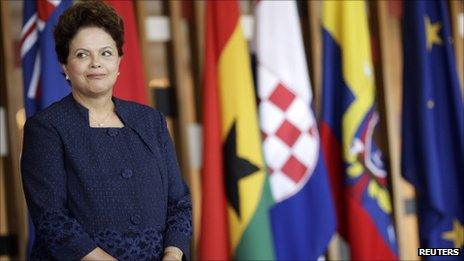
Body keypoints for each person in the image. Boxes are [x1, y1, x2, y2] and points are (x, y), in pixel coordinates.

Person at [20, 1, 191, 260]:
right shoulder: (46, 128)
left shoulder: (150, 121)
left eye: (106, 53)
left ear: (119, 61)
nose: (96, 63)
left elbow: (179, 202)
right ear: (65, 65)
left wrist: (173, 254)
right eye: (82, 54)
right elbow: (51, 219)